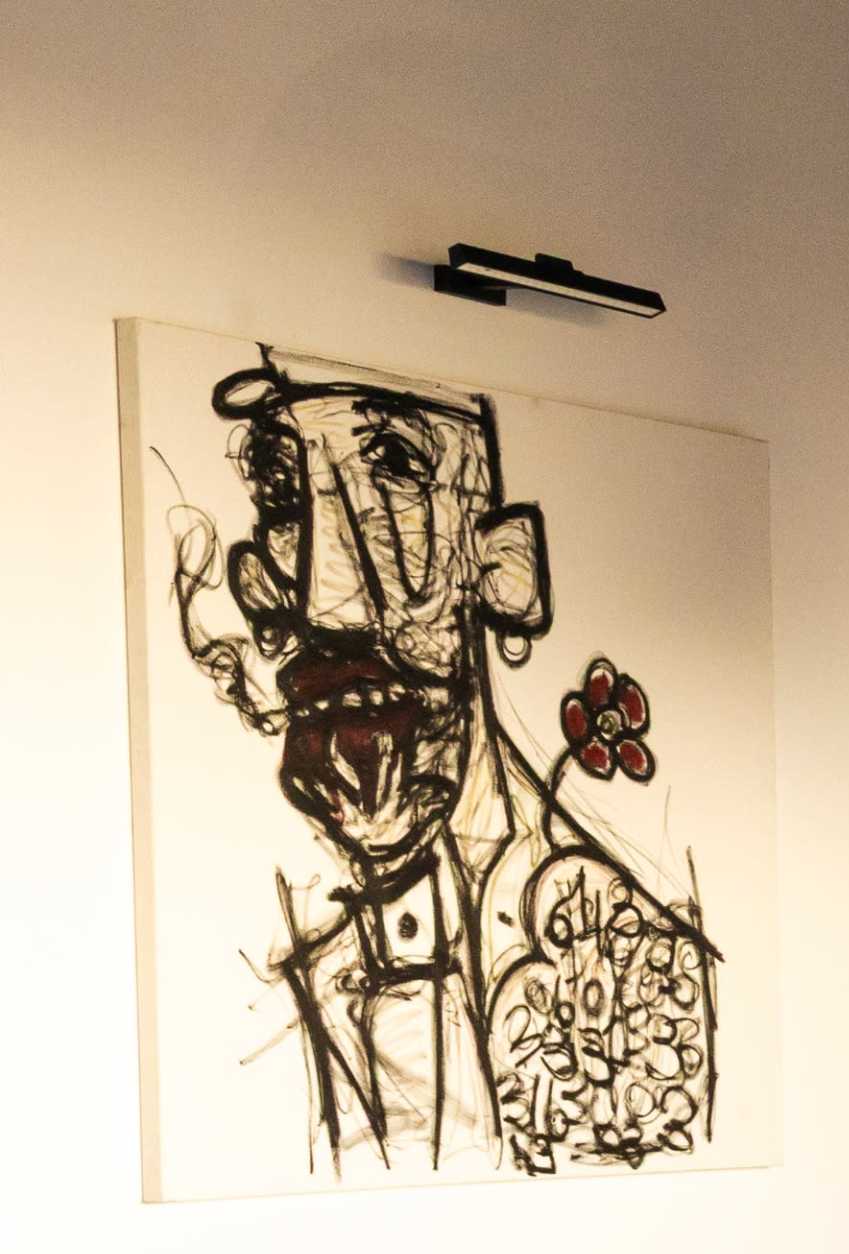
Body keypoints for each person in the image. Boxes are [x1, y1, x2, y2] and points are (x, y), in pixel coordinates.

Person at [168, 348, 717, 1176]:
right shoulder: (292, 990)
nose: (324, 594)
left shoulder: (619, 956)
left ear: (503, 568)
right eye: (287, 497)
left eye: (392, 476)